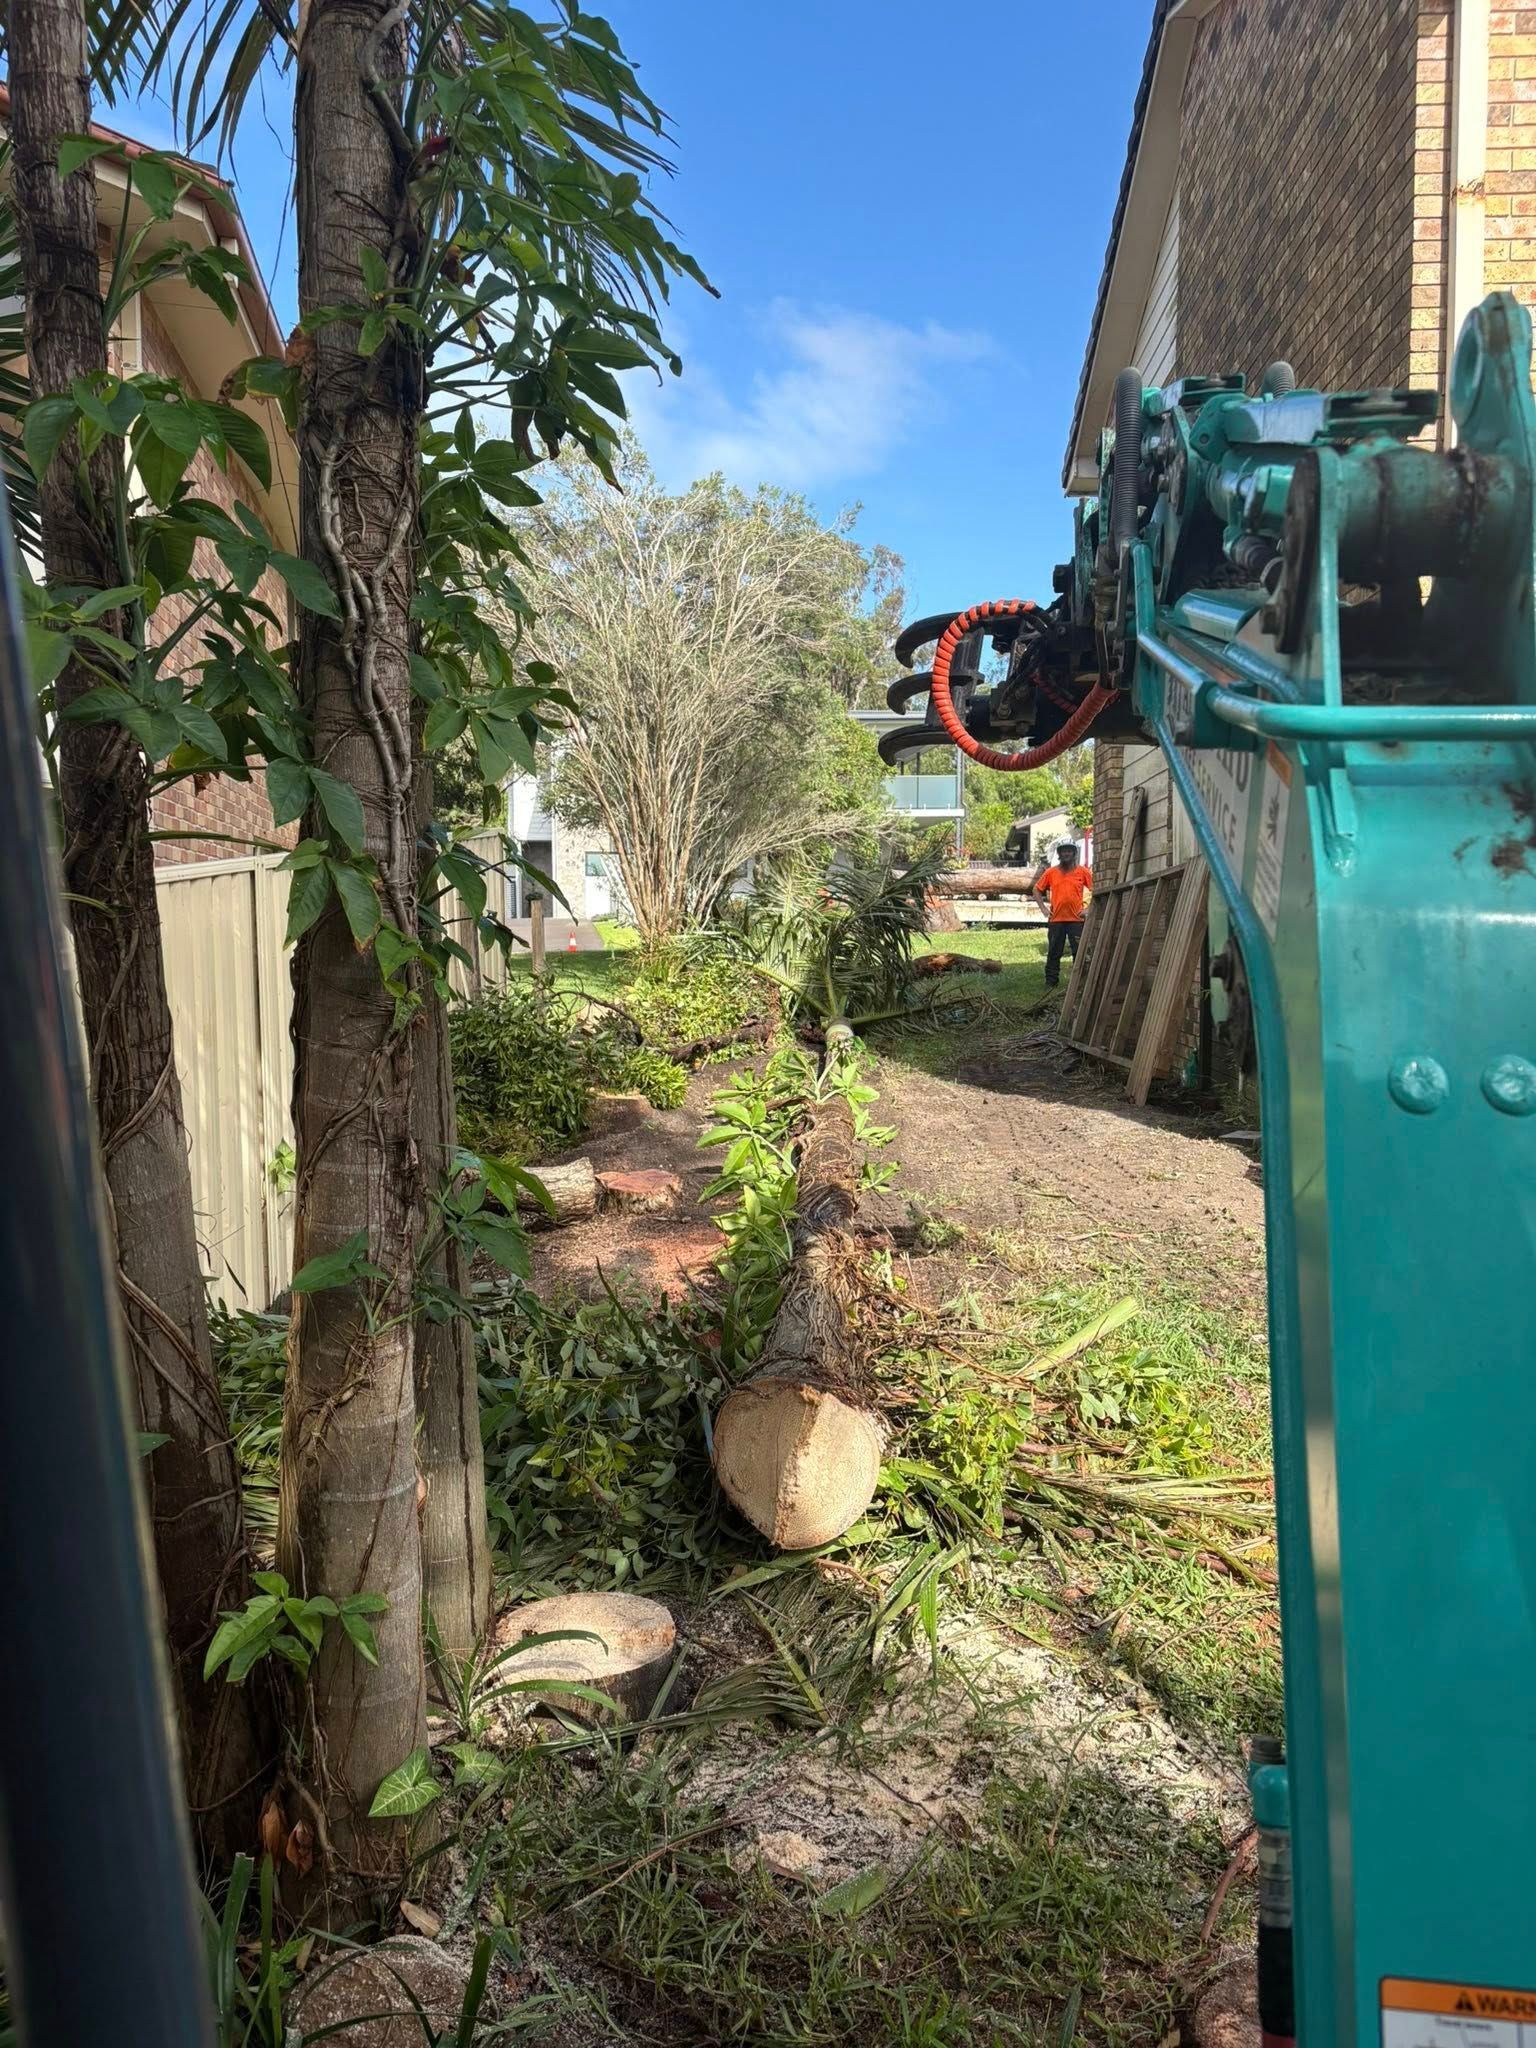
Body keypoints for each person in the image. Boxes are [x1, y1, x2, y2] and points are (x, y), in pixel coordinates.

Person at [1033, 840, 1093, 988]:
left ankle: (1079, 984)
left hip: (1076, 920)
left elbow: (1096, 889)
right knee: (1054, 952)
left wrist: (1088, 909)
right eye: (1063, 851)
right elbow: (1036, 890)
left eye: (1069, 851)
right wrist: (1043, 909)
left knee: (1079, 953)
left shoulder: (1083, 872)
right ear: (1059, 854)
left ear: (1074, 853)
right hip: (1056, 920)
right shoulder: (1051, 872)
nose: (1066, 853)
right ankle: (1051, 983)